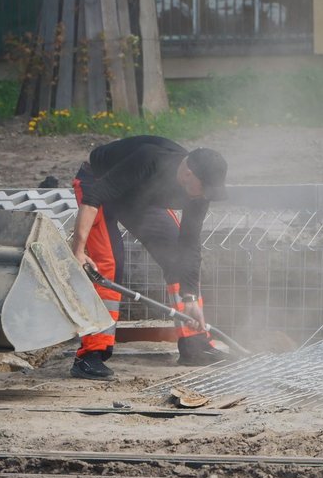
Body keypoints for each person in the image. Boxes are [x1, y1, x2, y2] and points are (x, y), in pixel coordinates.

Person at [69, 135, 230, 380]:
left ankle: (195, 346)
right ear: (188, 174)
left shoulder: (199, 192)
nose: (206, 196)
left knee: (178, 257)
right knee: (108, 263)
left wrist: (189, 297)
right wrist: (78, 251)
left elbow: (189, 244)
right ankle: (90, 355)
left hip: (138, 193)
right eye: (205, 189)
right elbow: (93, 198)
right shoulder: (150, 159)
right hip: (99, 183)